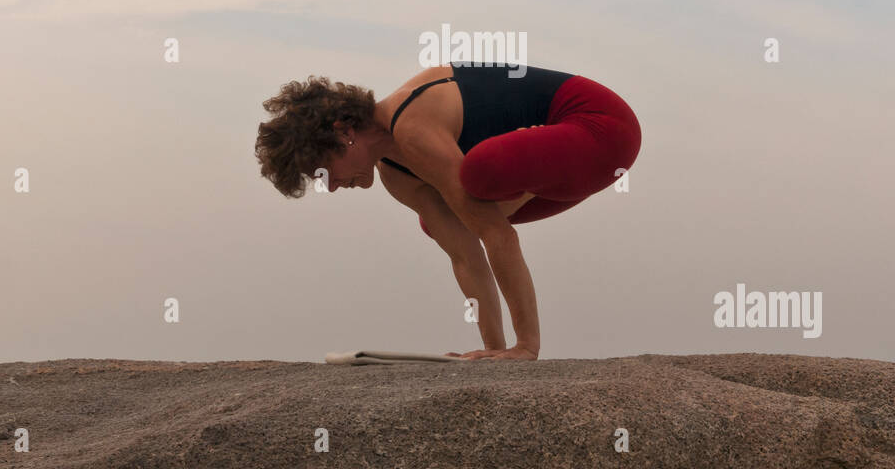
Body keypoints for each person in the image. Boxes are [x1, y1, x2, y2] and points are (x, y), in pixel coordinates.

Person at [254, 63, 641, 360]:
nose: (331, 186)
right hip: (564, 171)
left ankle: (528, 340)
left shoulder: (411, 123)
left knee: (477, 179)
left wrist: (525, 347)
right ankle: (507, 343)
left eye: (323, 170)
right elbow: (466, 257)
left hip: (602, 129)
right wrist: (493, 351)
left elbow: (498, 234)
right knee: (441, 222)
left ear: (343, 131)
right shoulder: (396, 177)